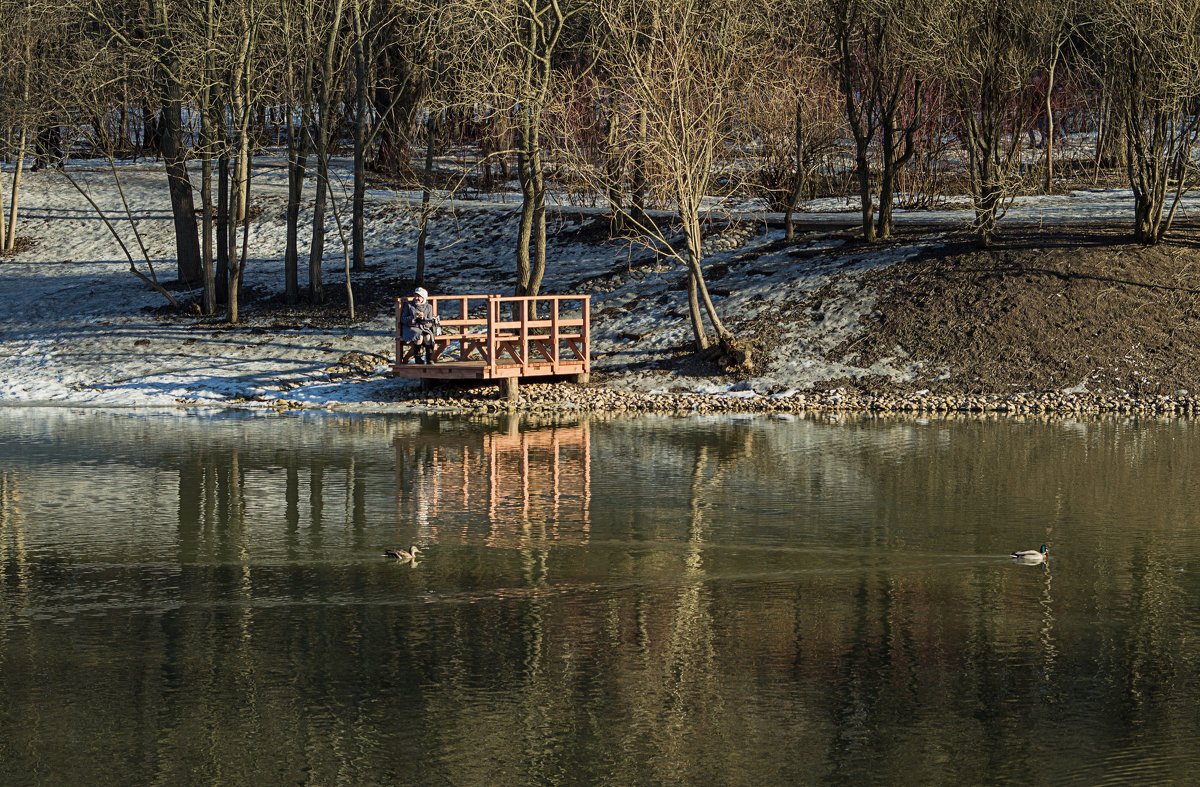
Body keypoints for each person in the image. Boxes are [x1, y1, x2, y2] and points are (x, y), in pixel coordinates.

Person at [400, 286, 438, 364]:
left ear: (424, 298)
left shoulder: (429, 307)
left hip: (424, 327)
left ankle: (429, 358)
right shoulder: (409, 305)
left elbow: (430, 322)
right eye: (416, 296)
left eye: (419, 296)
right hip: (411, 327)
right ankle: (418, 358)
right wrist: (413, 318)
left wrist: (423, 318)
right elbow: (403, 319)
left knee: (428, 337)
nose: (417, 298)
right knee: (419, 336)